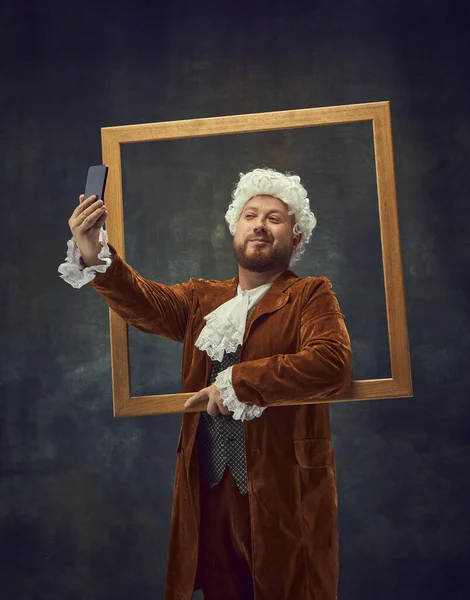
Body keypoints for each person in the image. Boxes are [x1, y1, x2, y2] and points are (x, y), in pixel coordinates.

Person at [59, 167, 352, 600]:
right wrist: (93, 251)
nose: (259, 224)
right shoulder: (202, 299)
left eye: (275, 218)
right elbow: (143, 302)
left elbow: (331, 363)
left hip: (284, 491)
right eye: (251, 215)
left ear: (296, 239)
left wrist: (238, 382)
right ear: (235, 229)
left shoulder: (311, 294)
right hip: (210, 490)